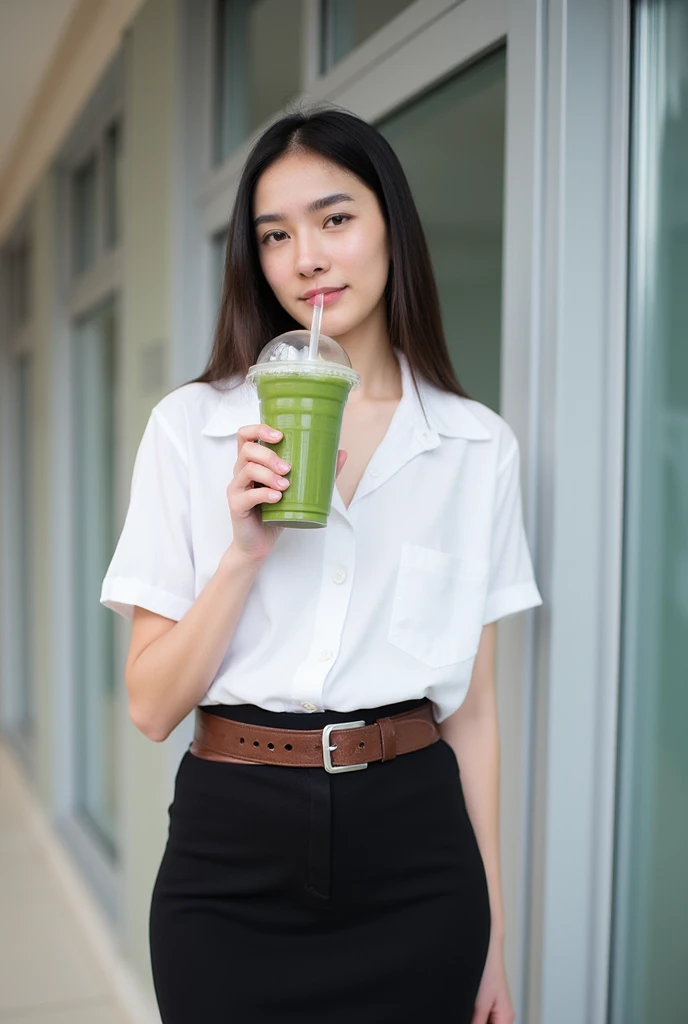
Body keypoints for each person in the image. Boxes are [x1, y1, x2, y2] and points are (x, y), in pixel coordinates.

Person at [100, 105, 542, 1024]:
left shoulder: (475, 447)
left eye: (334, 219)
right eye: (275, 234)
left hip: (417, 857)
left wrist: (493, 938)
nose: (305, 256)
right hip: (232, 856)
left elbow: (477, 717)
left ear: (391, 228)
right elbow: (150, 706)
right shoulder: (192, 429)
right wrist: (244, 555)